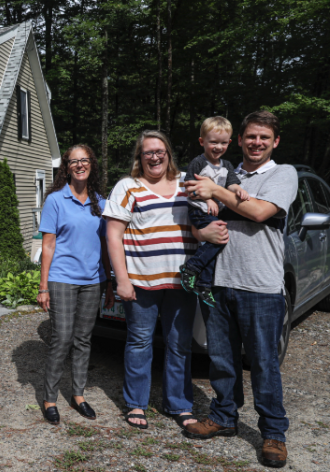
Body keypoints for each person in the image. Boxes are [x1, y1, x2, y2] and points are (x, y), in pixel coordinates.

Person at [184, 111, 297, 469]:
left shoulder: (282, 174)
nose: (257, 143)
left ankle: (274, 434)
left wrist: (216, 190)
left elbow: (261, 212)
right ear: (241, 140)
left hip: (260, 285)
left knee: (263, 363)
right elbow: (197, 223)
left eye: (264, 137)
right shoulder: (228, 172)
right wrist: (201, 232)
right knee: (221, 359)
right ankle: (224, 416)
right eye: (251, 136)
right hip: (219, 281)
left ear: (275, 141)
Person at [103, 130, 199, 431]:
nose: (154, 157)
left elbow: (210, 215)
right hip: (142, 281)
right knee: (139, 343)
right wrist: (122, 280)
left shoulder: (189, 182)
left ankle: (179, 404)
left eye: (159, 151)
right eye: (148, 152)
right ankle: (136, 404)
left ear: (168, 153)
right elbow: (113, 236)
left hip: (183, 282)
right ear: (139, 157)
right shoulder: (127, 187)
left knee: (180, 344)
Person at [37, 144, 114, 425]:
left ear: (92, 164)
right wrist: (43, 286)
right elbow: (48, 246)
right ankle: (49, 399)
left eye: (84, 160)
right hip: (62, 280)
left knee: (83, 340)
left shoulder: (101, 203)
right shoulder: (56, 200)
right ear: (66, 167)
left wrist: (107, 283)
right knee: (62, 338)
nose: (79, 165)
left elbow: (106, 246)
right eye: (73, 161)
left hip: (93, 282)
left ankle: (78, 395)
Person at [180, 116, 250, 307]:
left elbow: (232, 183)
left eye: (222, 143)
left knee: (215, 245)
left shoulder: (227, 165)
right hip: (199, 209)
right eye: (213, 142)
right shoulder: (198, 163)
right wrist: (209, 198)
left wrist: (238, 190)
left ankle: (203, 285)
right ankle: (191, 268)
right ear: (202, 142)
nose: (218, 147)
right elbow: (189, 187)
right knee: (219, 240)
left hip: (213, 213)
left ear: (229, 142)